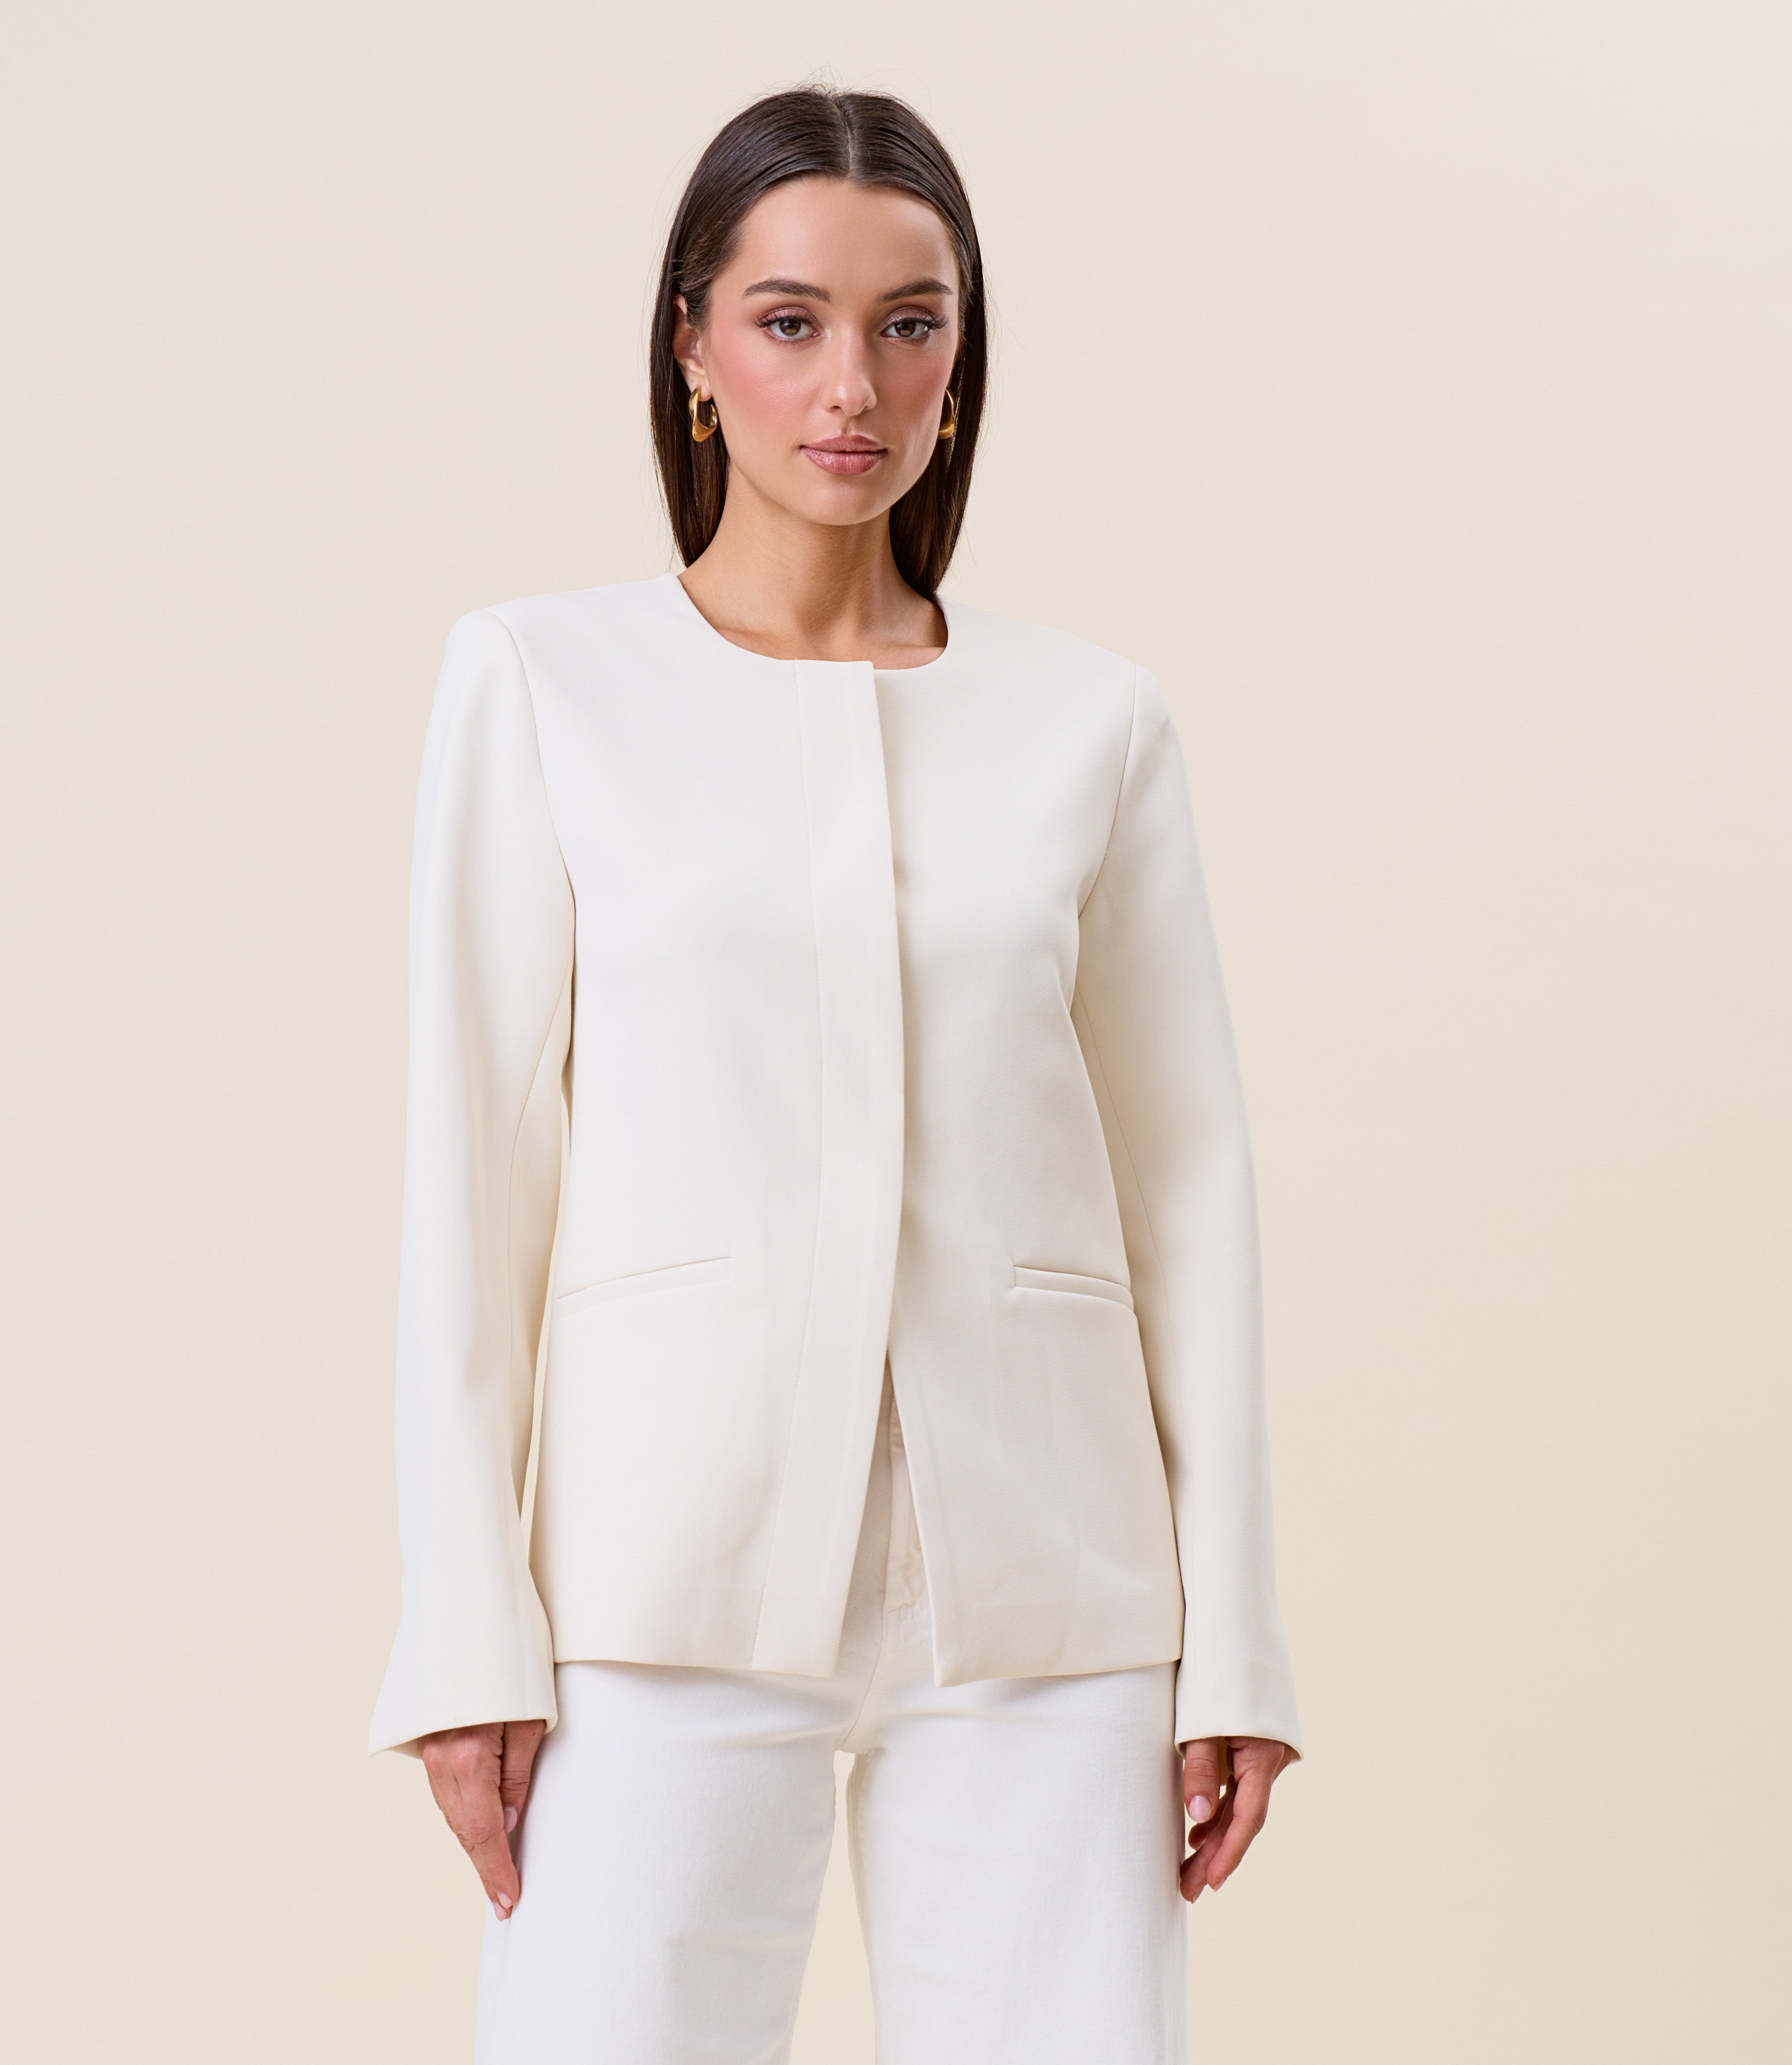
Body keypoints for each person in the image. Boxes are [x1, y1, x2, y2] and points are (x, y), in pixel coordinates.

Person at [370, 85, 1302, 2063]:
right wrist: (464, 1626)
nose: (851, 384)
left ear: (961, 362)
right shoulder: (540, 681)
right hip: (658, 1574)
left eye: (909, 323)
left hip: (1049, 1592)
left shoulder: (1089, 720)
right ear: (692, 347)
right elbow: (474, 1172)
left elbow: (1191, 1191)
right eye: (787, 320)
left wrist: (1231, 1633)